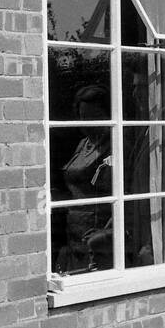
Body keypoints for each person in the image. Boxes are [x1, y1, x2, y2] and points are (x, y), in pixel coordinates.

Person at [54, 84, 114, 274]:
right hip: (72, 231)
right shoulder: (83, 144)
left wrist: (108, 230)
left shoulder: (117, 143)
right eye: (82, 117)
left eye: (93, 117)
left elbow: (126, 191)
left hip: (97, 234)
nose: (86, 123)